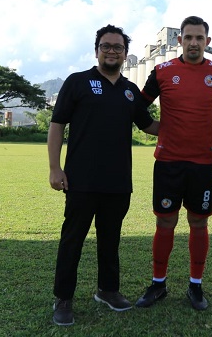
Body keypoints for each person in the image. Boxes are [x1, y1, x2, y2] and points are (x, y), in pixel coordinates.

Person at [48, 24, 159, 326]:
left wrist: (188, 124)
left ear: (125, 53)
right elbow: (57, 124)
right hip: (81, 180)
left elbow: (149, 126)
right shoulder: (78, 82)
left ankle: (108, 290)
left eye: (118, 47)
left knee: (110, 239)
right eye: (106, 46)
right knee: (73, 239)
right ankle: (63, 298)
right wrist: (55, 168)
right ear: (96, 50)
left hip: (118, 181)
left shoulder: (129, 90)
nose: (112, 51)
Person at [135, 16, 212, 311]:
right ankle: (158, 284)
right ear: (179, 40)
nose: (193, 42)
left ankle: (195, 286)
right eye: (188, 37)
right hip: (168, 163)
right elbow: (137, 105)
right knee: (165, 221)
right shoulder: (162, 71)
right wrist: (154, 128)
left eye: (199, 38)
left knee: (198, 222)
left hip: (203, 165)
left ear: (207, 42)